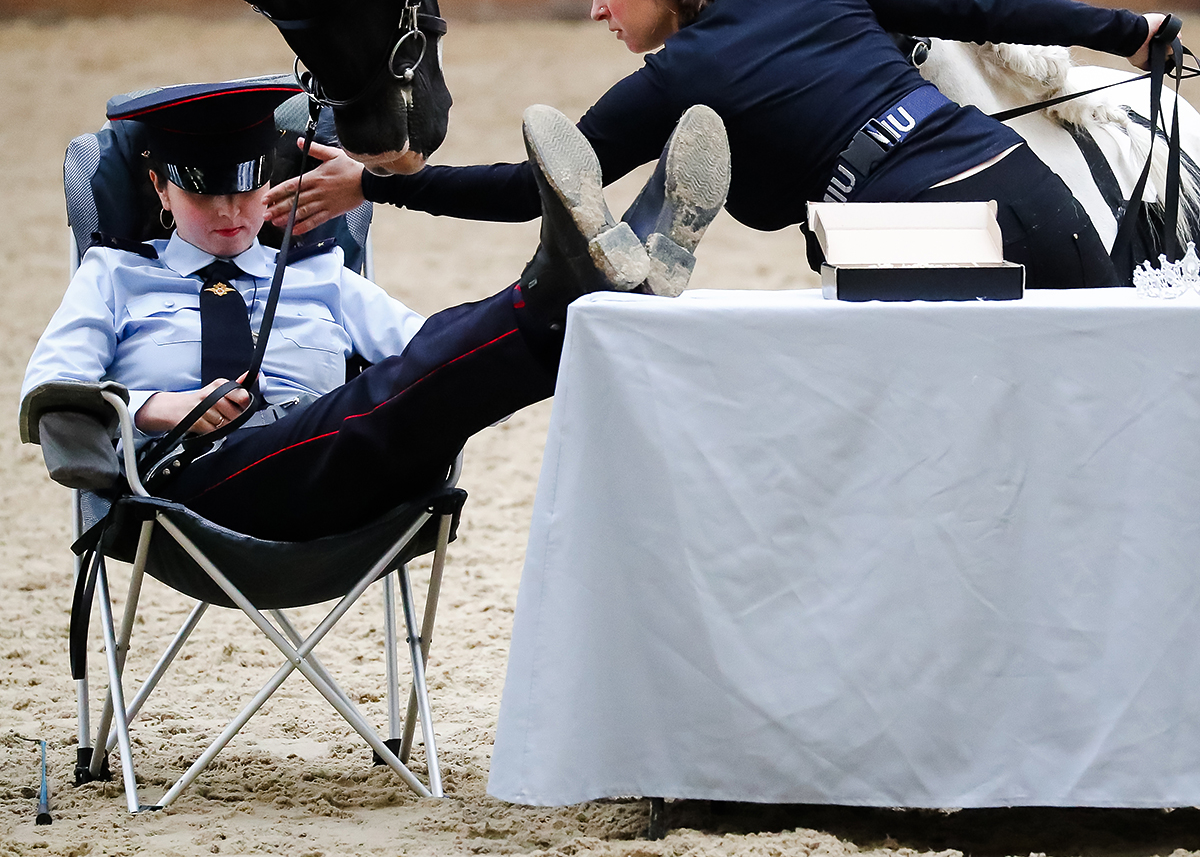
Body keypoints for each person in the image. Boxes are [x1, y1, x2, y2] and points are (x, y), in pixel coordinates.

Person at [264, 0, 1179, 290]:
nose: (597, 11)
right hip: (1016, 179)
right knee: (1113, 405)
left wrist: (378, 186)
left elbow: (527, 191)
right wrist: (1130, 32)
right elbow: (985, 12)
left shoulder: (676, 80)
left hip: (901, 229)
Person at [22, 80, 731, 543]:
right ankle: (581, 294)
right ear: (159, 188)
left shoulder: (317, 274)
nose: (231, 212)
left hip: (348, 470)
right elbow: (51, 387)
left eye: (246, 189)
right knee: (388, 393)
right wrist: (155, 407)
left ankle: (589, 294)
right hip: (195, 490)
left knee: (427, 362)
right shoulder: (115, 274)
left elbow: (435, 347)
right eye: (203, 195)